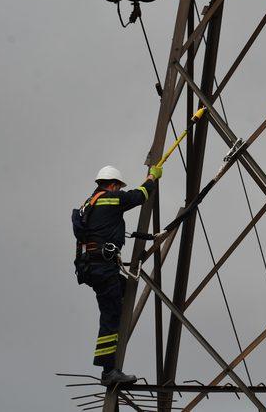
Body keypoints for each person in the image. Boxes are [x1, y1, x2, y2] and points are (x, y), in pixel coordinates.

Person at [71, 164, 162, 386]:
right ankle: (109, 371)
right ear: (113, 185)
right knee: (110, 316)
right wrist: (152, 178)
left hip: (92, 266)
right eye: (118, 187)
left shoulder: (88, 203)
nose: (118, 190)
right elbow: (138, 196)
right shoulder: (110, 199)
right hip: (103, 267)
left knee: (122, 289)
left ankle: (110, 362)